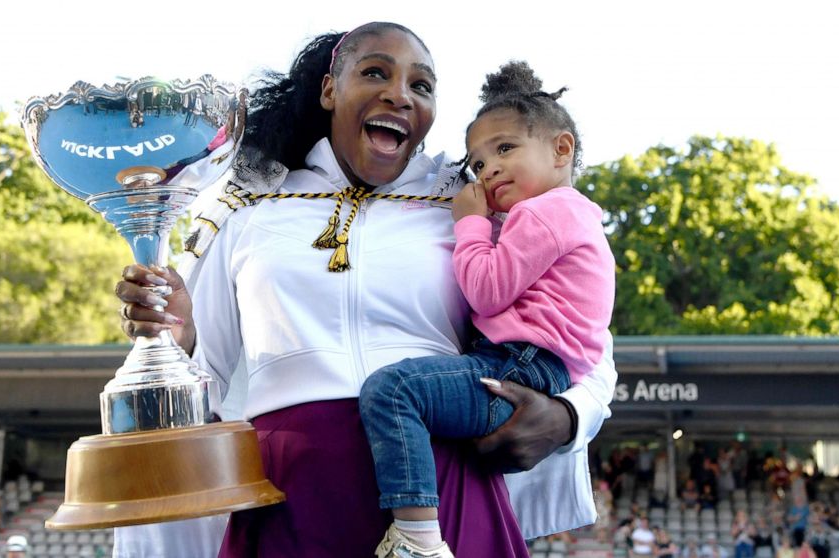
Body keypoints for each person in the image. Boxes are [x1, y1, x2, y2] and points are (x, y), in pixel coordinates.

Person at [113, 22, 616, 558]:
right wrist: (174, 335)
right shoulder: (250, 208)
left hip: (442, 486)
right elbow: (205, 376)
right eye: (375, 72)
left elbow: (581, 328)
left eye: (421, 86)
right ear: (330, 89)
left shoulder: (475, 203)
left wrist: (567, 417)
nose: (399, 94)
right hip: (290, 489)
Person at [358, 59, 614, 555]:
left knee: (394, 391)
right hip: (533, 366)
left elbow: (487, 291)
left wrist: (471, 223)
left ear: (561, 149)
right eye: (476, 163)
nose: (488, 169)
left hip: (520, 365)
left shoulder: (544, 213)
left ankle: (417, 540)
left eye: (505, 149)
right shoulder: (567, 214)